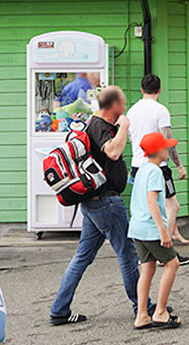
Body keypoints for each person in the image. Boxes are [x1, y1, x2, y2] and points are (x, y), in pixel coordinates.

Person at [50, 86, 158, 325]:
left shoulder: (97, 125)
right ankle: (143, 308)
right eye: (124, 103)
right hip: (106, 203)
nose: (126, 107)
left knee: (82, 257)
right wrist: (125, 126)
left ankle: (59, 310)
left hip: (95, 203)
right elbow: (113, 151)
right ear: (115, 106)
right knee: (128, 254)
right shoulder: (99, 126)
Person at [128, 73, 189, 254]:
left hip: (137, 164)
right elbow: (167, 140)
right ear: (160, 89)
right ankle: (166, 247)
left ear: (142, 90)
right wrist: (179, 165)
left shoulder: (132, 111)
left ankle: (151, 247)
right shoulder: (160, 110)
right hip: (157, 166)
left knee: (146, 205)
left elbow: (132, 139)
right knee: (172, 206)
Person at [129, 132, 182, 330]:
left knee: (148, 269)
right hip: (151, 228)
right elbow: (152, 202)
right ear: (158, 150)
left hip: (137, 227)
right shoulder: (155, 172)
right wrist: (163, 231)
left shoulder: (142, 170)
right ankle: (160, 311)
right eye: (166, 147)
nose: (168, 149)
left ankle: (142, 315)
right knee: (172, 263)